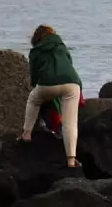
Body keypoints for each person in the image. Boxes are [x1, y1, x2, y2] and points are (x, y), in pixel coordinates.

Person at [20, 25, 83, 168]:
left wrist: (37, 84)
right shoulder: (62, 46)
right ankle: (71, 160)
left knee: (33, 100)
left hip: (48, 84)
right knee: (70, 123)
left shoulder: (36, 51)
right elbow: (69, 64)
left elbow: (34, 77)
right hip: (72, 84)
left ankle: (27, 134)